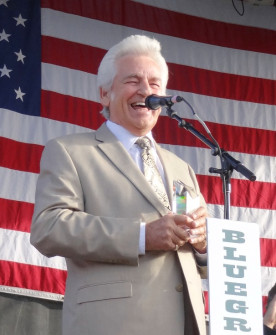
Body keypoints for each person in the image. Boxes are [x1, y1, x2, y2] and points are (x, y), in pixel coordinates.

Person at [31, 35, 208, 335]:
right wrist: (141, 236)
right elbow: (49, 227)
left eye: (154, 84)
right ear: (104, 94)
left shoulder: (182, 168)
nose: (146, 91)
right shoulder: (70, 152)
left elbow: (200, 259)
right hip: (113, 324)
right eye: (133, 80)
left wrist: (204, 243)